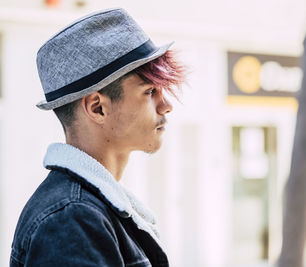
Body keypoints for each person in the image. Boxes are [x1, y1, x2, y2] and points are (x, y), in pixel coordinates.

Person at [10, 8, 186, 266]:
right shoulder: (71, 219)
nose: (166, 105)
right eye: (150, 91)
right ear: (97, 108)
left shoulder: (87, 210)